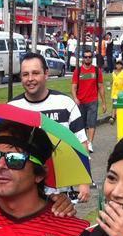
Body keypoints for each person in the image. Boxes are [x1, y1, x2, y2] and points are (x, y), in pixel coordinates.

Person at [13, 52, 90, 202]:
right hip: (24, 191)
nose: (30, 79)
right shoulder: (13, 108)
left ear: (46, 74)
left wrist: (84, 182)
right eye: (25, 74)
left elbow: (82, 143)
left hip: (61, 193)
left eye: (35, 73)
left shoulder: (65, 104)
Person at [71, 48, 107, 153]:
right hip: (81, 102)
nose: (87, 59)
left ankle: (90, 143)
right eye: (85, 57)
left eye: (89, 57)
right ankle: (84, 142)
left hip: (93, 101)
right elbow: (73, 87)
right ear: (83, 58)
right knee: (81, 124)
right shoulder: (78, 72)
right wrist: (75, 98)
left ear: (92, 58)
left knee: (91, 123)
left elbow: (101, 87)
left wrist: (104, 103)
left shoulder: (97, 71)